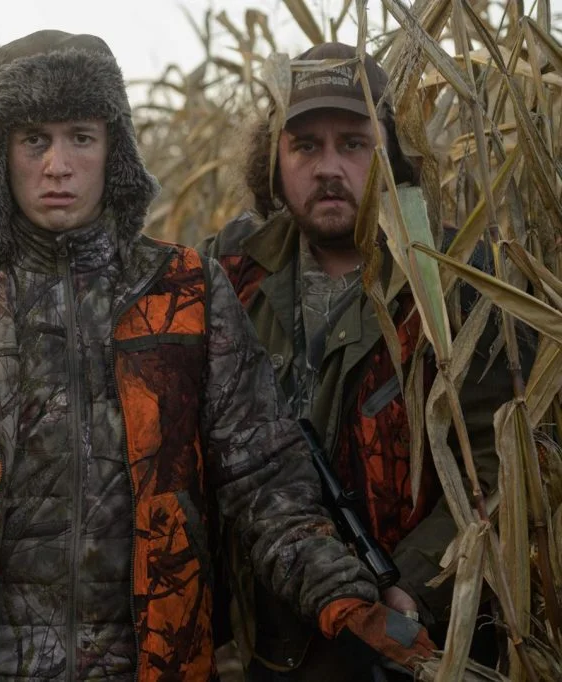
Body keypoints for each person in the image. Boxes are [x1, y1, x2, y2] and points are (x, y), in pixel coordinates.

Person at [0, 31, 436, 682]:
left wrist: (345, 602)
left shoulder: (188, 293)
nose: (58, 165)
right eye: (34, 140)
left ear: (115, 150)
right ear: (0, 155)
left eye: (81, 136)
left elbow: (267, 489)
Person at [199, 42, 519, 680]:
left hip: (412, 637)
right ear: (274, 161)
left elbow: (503, 458)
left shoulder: (457, 281)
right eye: (305, 146)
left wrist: (414, 584)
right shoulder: (226, 274)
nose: (328, 168)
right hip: (273, 643)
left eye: (353, 144)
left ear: (391, 154)